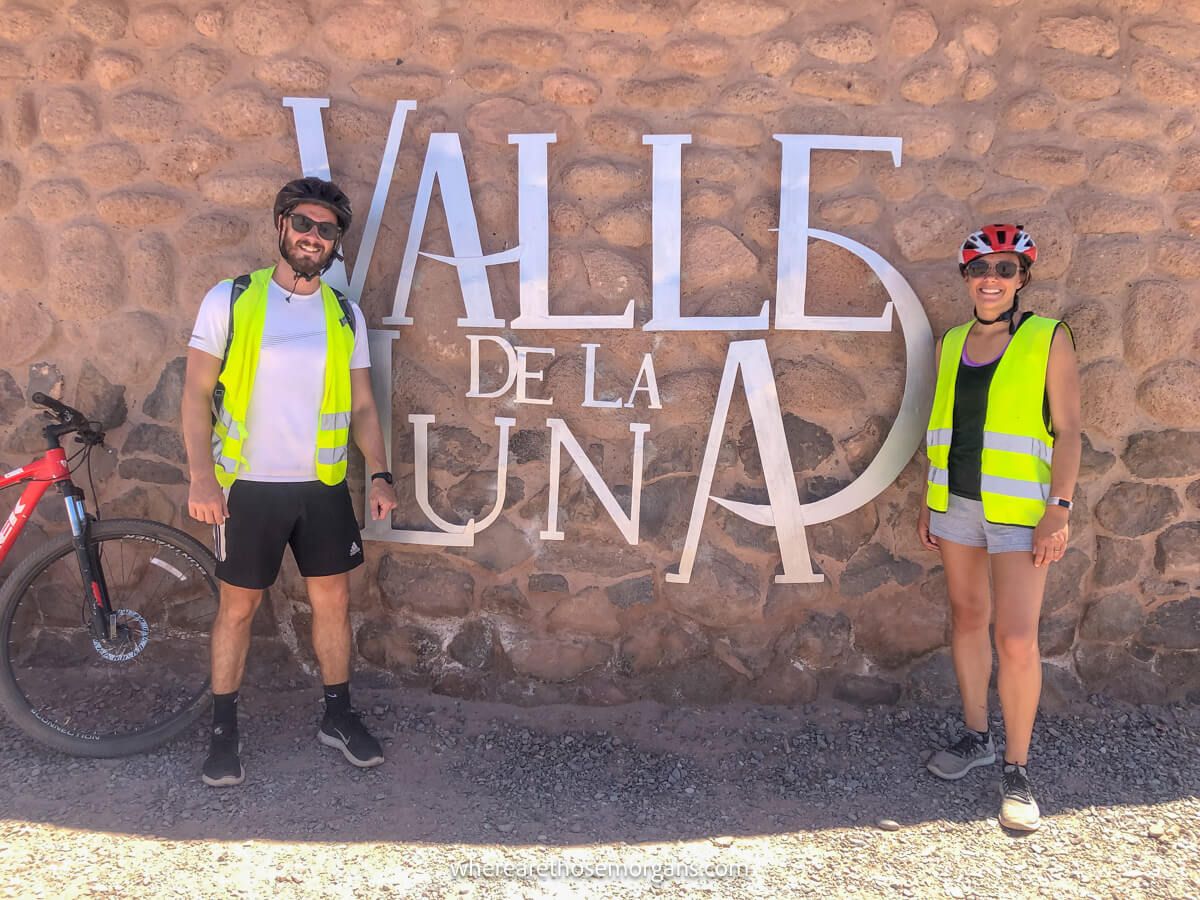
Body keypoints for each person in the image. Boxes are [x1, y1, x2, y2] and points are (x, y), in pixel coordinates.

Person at [182, 176, 398, 787]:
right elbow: (196, 394)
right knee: (238, 608)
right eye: (302, 224)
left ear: (335, 245)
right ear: (281, 227)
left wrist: (378, 472)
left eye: (326, 231)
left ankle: (337, 716)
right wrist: (201, 476)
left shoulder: (343, 314)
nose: (313, 237)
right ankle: (224, 731)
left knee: (334, 602)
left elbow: (361, 406)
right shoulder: (231, 299)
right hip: (246, 487)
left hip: (321, 485)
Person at [917, 224, 1081, 832]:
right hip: (955, 504)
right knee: (966, 619)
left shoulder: (1047, 338)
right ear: (966, 280)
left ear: (1023, 278)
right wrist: (929, 499)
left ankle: (1017, 768)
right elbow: (945, 426)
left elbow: (1068, 429)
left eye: (1005, 269)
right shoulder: (953, 340)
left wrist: (1058, 507)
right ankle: (976, 736)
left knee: (1015, 639)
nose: (992, 279)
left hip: (1021, 511)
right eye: (980, 270)